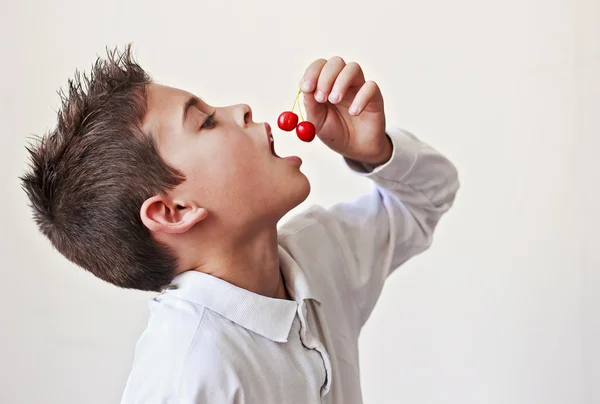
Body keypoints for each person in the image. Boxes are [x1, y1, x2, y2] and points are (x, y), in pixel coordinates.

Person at [21, 45, 459, 404]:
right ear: (174, 211)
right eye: (206, 121)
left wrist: (374, 150)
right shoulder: (188, 374)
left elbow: (427, 199)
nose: (241, 109)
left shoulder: (318, 254)